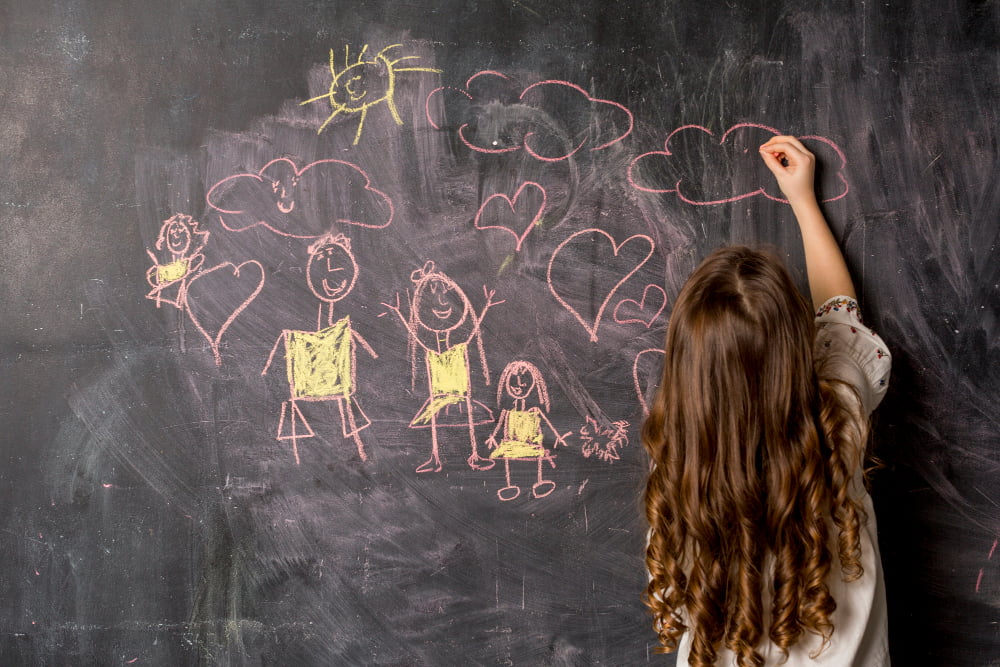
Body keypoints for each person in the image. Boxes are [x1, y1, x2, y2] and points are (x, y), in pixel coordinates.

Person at [642, 136, 892, 666]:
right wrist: (802, 199)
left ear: (687, 369)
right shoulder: (837, 424)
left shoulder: (681, 476)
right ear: (797, 347)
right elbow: (840, 314)